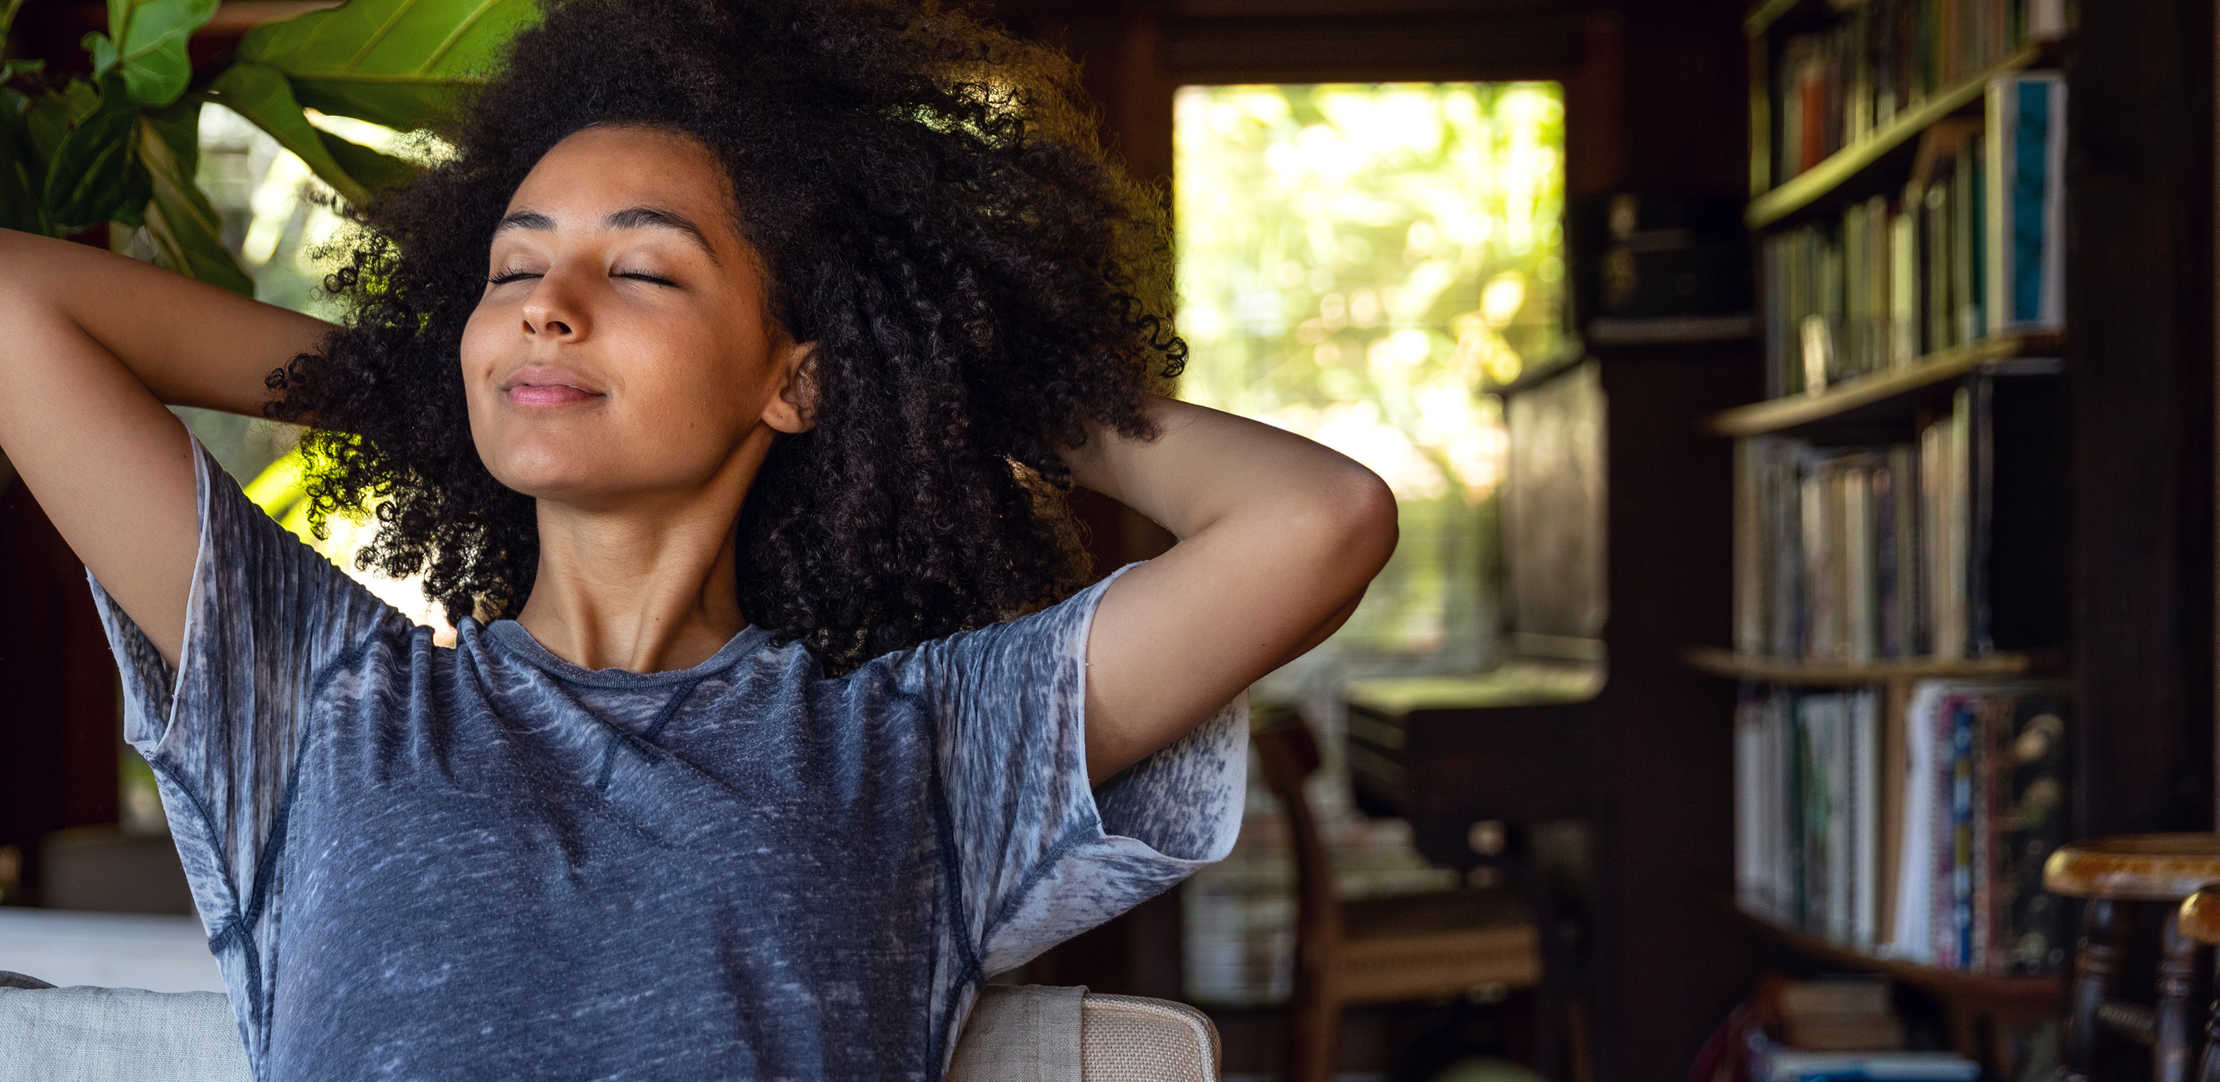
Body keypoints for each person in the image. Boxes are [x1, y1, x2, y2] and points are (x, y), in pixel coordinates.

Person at [0, 0, 1397, 1076]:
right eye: (511, 269)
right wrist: (422, 386)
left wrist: (947, 373)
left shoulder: (923, 753)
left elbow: (1317, 520)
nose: (549, 302)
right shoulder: (321, 697)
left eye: (643, 268)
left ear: (794, 375)